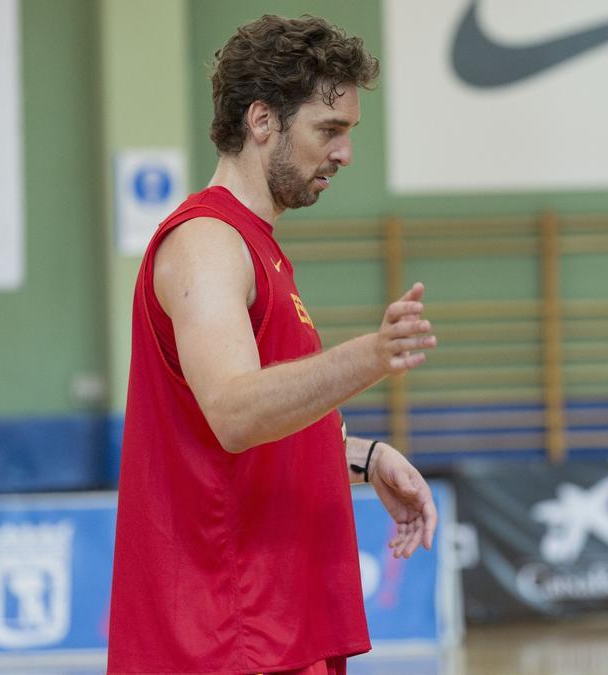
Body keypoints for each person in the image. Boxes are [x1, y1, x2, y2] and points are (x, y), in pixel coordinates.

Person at [107, 15, 438, 675]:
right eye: (329, 130)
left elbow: (231, 432)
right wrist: (372, 355)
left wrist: (360, 456)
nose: (343, 153)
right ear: (262, 121)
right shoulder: (206, 243)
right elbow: (234, 412)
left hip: (269, 631)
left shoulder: (255, 245)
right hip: (225, 639)